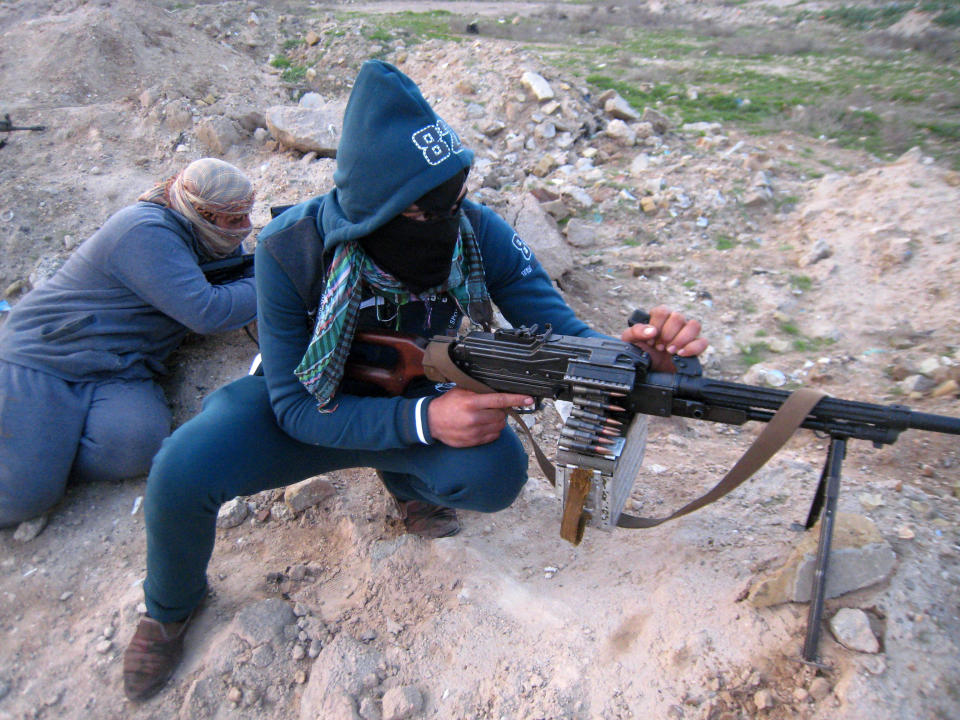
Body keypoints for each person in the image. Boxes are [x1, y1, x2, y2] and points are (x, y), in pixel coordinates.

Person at [121, 60, 708, 701]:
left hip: (414, 394)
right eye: (423, 214)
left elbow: (559, 329)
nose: (447, 223)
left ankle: (403, 477)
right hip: (315, 404)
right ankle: (169, 608)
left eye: (454, 202)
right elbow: (292, 404)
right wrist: (425, 423)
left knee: (492, 477)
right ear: (374, 213)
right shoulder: (289, 248)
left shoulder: (475, 230)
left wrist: (641, 356)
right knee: (180, 468)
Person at [0, 158, 258, 530]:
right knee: (23, 499)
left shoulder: (209, 238)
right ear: (200, 212)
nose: (244, 229)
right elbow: (208, 311)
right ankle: (30, 457)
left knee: (136, 445)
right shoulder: (144, 231)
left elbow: (230, 283)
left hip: (122, 366)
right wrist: (274, 276)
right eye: (234, 220)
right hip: (48, 355)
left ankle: (39, 447)